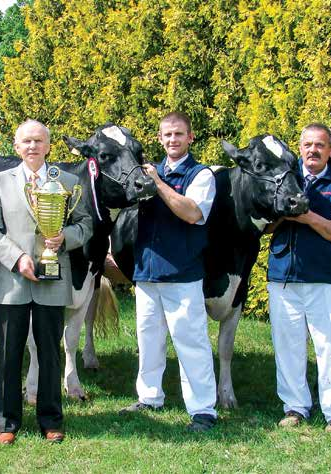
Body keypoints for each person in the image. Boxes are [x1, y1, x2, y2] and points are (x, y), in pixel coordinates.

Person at [0, 119, 92, 445]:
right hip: (13, 280)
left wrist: (65, 237)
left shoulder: (69, 182)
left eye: (38, 141)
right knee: (9, 354)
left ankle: (51, 420)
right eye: (26, 141)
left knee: (49, 354)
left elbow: (86, 225)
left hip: (53, 281)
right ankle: (7, 423)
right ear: (16, 147)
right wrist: (17, 258)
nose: (32, 147)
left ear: (48, 146)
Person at [118, 112, 218, 432]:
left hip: (182, 274)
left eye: (179, 134)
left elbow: (192, 213)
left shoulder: (201, 175)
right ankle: (149, 397)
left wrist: (158, 184)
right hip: (147, 272)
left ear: (191, 137)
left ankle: (203, 410)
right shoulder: (146, 172)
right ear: (159, 138)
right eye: (167, 135)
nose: (172, 140)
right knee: (149, 341)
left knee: (191, 343)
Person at [266, 123, 331, 432]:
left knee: (329, 347)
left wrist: (306, 216)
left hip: (325, 278)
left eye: (320, 145)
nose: (312, 151)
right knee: (287, 345)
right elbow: (264, 226)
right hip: (283, 277)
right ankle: (295, 407)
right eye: (307, 145)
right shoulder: (284, 180)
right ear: (300, 148)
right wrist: (281, 211)